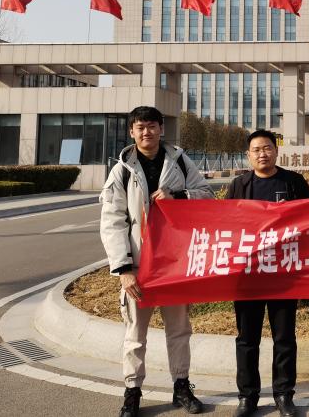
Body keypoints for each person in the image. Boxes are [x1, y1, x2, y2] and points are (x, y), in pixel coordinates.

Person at [99, 106, 214, 417]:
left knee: (179, 330)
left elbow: (207, 196)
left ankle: (181, 387)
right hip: (139, 267)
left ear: (162, 129)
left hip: (174, 265)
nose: (146, 132)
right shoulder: (122, 170)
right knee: (135, 335)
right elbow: (112, 222)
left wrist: (179, 197)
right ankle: (132, 392)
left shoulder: (179, 161)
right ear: (131, 132)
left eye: (152, 126)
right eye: (140, 127)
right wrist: (124, 270)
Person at [225, 130, 309, 417]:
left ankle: (284, 394)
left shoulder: (293, 182)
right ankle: (247, 396)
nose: (262, 154)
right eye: (256, 150)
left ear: (276, 151)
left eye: (267, 148)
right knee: (246, 339)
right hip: (248, 275)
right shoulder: (239, 185)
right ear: (248, 155)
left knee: (284, 338)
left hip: (283, 274)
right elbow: (225, 225)